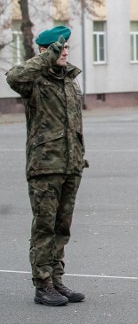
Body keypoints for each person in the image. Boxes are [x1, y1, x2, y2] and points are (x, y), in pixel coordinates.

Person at [5, 26, 87, 306]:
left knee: (62, 228)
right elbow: (13, 76)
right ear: (45, 50)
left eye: (65, 48)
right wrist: (46, 58)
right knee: (44, 227)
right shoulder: (35, 80)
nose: (64, 51)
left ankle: (56, 281)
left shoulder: (69, 81)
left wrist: (79, 158)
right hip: (44, 167)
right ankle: (42, 286)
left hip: (71, 164)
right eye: (58, 48)